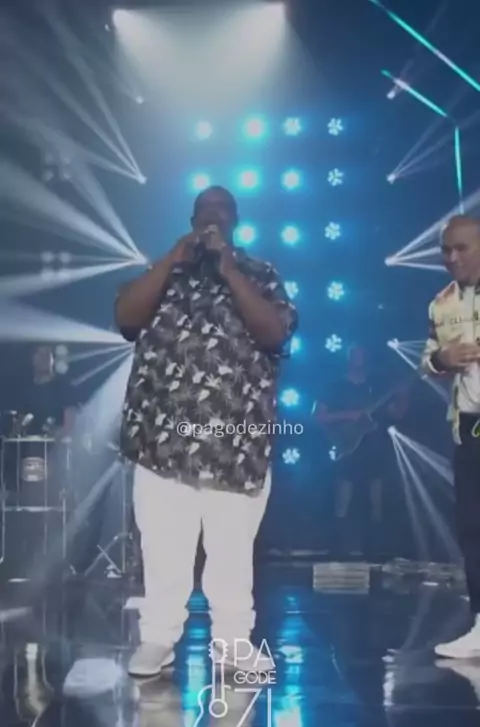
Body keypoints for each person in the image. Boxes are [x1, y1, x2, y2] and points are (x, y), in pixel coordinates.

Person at [115, 186, 297, 677]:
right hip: (162, 439)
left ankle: (233, 643)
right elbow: (126, 317)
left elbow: (274, 333)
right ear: (191, 219)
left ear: (235, 220)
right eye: (204, 211)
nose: (212, 217)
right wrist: (171, 260)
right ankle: (157, 639)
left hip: (235, 444)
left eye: (221, 210)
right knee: (162, 547)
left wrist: (229, 270)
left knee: (232, 552)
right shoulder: (166, 272)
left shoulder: (259, 274)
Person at [422, 215, 480, 658]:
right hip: (469, 426)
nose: (452, 257)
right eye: (446, 250)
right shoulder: (440, 304)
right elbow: (427, 362)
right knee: (473, 528)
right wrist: (443, 358)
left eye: (462, 248)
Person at [316, 344, 406, 557]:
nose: (359, 358)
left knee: (376, 501)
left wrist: (404, 397)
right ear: (348, 358)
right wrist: (349, 415)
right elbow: (319, 416)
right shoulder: (335, 386)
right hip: (347, 447)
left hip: (374, 448)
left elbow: (396, 414)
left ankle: (374, 550)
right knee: (342, 500)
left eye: (362, 354)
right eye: (355, 354)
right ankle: (337, 549)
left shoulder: (377, 386)